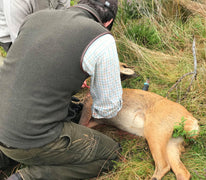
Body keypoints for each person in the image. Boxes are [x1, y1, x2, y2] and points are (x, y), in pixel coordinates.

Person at [0, 0, 122, 179]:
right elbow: (107, 108)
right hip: (30, 137)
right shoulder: (101, 38)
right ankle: (27, 177)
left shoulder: (36, 18)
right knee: (111, 154)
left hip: (3, 126)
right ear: (108, 22)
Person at [0, 0, 70, 52]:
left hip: (45, 23)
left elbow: (66, 17)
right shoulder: (15, 2)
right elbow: (20, 44)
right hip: (13, 37)